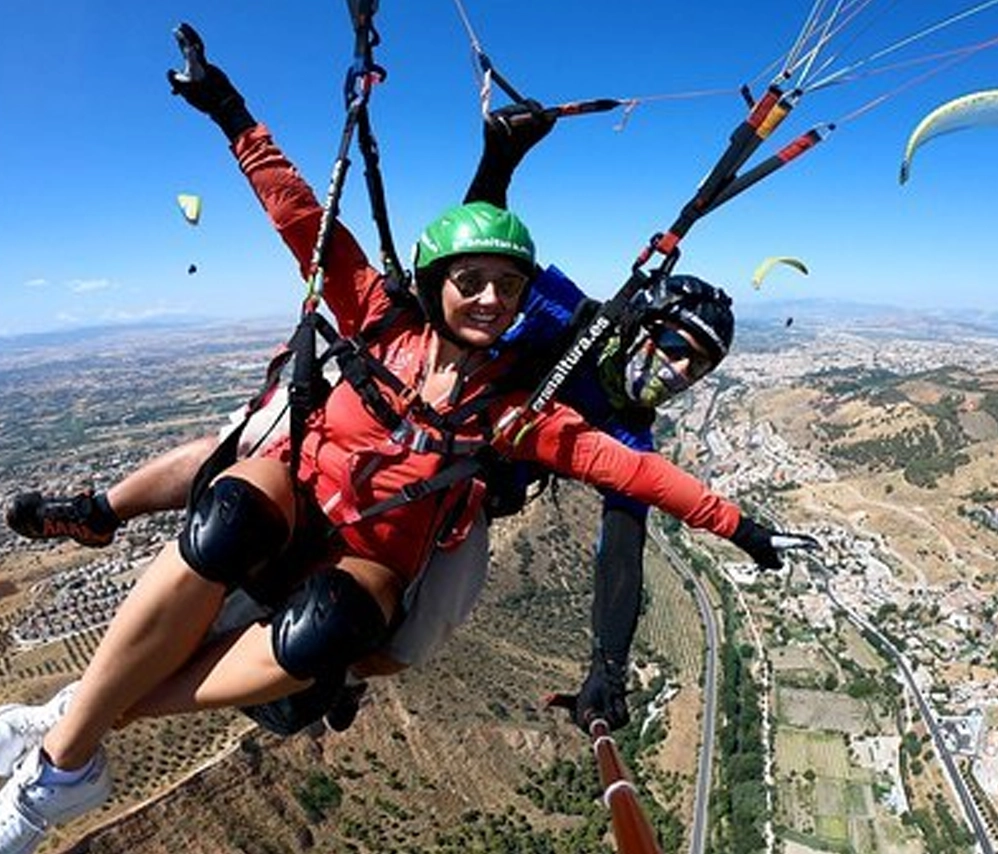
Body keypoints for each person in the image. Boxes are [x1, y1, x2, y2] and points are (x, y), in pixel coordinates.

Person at [0, 26, 810, 852]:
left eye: (697, 369)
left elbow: (629, 480)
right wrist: (230, 111)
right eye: (676, 352)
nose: (678, 375)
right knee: (229, 498)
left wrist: (734, 525)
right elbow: (331, 219)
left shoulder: (524, 411)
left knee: (351, 636)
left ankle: (84, 718)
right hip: (311, 470)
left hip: (416, 518)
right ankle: (103, 523)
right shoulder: (455, 320)